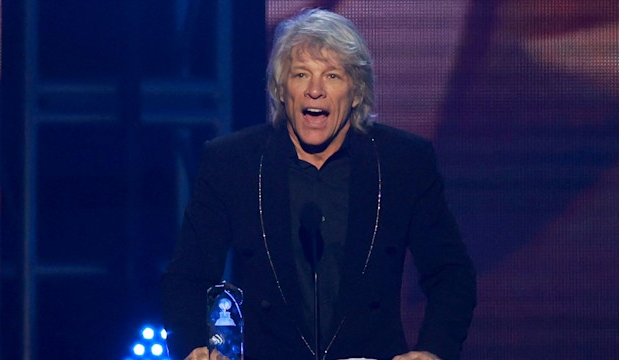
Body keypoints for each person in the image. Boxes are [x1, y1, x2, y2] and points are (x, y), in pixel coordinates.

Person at [162, 8, 476, 360]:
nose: (315, 90)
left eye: (332, 76)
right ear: (282, 91)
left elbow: (451, 274)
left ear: (356, 93)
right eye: (301, 75)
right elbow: (186, 276)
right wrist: (193, 347)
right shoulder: (233, 163)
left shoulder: (403, 162)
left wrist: (433, 350)